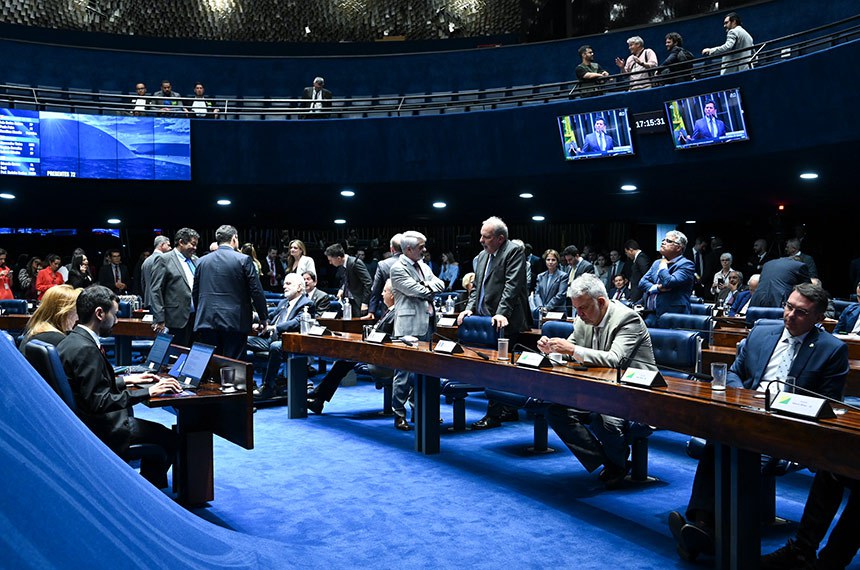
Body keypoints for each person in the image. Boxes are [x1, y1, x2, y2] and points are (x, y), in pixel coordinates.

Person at [669, 283, 848, 562]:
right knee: (720, 435)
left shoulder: (831, 349)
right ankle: (702, 524)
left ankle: (714, 536)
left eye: (801, 312)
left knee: (743, 453)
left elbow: (827, 402)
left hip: (788, 426)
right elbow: (734, 373)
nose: (789, 315)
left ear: (818, 319)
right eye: (788, 306)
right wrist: (747, 398)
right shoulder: (763, 332)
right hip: (745, 413)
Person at [538, 274, 656, 487]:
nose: (579, 314)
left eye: (583, 308)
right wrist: (552, 349)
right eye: (576, 309)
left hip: (634, 392)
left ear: (601, 302)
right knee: (555, 411)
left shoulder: (627, 319)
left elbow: (615, 359)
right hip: (599, 390)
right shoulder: (583, 320)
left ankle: (617, 463)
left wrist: (571, 349)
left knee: (603, 418)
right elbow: (570, 351)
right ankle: (608, 461)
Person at [57, 285, 181, 488]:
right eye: (114, 314)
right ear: (99, 313)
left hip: (85, 423)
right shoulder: (86, 349)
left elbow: (89, 385)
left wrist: (129, 380)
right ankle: (150, 493)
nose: (116, 320)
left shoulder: (71, 341)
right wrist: (149, 391)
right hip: (106, 427)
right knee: (171, 439)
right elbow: (99, 401)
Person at [457, 216, 532, 430]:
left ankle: (495, 414)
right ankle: (508, 409)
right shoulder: (482, 256)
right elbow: (476, 287)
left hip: (505, 320)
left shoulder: (514, 251)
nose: (481, 240)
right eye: (481, 235)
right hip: (483, 319)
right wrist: (469, 308)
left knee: (498, 368)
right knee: (491, 366)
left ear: (500, 238)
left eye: (486, 237)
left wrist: (501, 313)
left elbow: (512, 285)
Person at [306, 279, 397, 415]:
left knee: (344, 362)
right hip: (373, 352)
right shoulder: (388, 311)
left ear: (393, 296)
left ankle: (318, 396)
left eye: (384, 291)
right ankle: (318, 400)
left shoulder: (396, 314)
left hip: (383, 358)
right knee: (344, 360)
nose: (381, 294)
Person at [389, 231, 445, 430]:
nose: (425, 250)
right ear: (409, 249)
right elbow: (416, 291)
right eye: (421, 247)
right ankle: (399, 414)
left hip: (428, 323)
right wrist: (426, 286)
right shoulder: (397, 268)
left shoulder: (422, 265)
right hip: (408, 326)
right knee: (403, 373)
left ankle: (419, 410)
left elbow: (441, 283)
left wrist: (425, 285)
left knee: (425, 371)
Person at [193, 225, 268, 360]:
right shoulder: (243, 260)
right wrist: (263, 317)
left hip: (206, 319)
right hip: (234, 321)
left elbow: (195, 292)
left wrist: (201, 312)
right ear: (234, 238)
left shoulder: (201, 261)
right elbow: (256, 291)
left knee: (210, 363)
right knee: (234, 365)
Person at [248, 273, 315, 399]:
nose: (284, 286)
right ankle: (246, 382)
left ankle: (268, 387)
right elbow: (271, 317)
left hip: (291, 342)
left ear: (299, 287)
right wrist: (259, 322)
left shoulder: (307, 303)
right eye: (284, 283)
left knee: (275, 346)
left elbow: (297, 322)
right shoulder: (284, 302)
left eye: (288, 284)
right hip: (272, 339)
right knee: (242, 340)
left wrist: (274, 328)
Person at [149, 227, 199, 348]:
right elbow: (155, 290)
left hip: (196, 318)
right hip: (175, 319)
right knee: (175, 358)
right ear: (181, 242)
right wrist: (159, 319)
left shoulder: (195, 260)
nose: (195, 248)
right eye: (192, 244)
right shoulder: (164, 259)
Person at [639, 230, 695, 324]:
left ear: (678, 247)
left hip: (674, 316)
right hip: (651, 314)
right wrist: (657, 288)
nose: (663, 242)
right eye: (664, 240)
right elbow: (642, 283)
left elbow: (669, 282)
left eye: (668, 241)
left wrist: (663, 267)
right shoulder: (657, 263)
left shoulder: (686, 265)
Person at [19, 284, 80, 352]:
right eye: (75, 311)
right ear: (63, 313)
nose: (77, 317)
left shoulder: (35, 330)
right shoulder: (57, 339)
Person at [325, 243, 372, 318]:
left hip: (358, 301)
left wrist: (365, 302)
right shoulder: (342, 266)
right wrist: (342, 289)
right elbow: (345, 280)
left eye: (331, 260)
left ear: (339, 258)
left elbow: (368, 282)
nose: (330, 263)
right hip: (349, 301)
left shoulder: (355, 263)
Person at [369, 234, 403, 318]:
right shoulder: (415, 263)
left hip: (388, 308)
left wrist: (371, 310)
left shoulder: (383, 264)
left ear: (392, 249)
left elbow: (376, 289)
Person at [532, 249, 568, 319]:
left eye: (553, 260)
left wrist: (547, 308)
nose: (550, 262)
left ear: (557, 262)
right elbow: (537, 293)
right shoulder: (540, 276)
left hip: (557, 313)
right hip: (542, 313)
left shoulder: (563, 276)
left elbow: (561, 295)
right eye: (548, 260)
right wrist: (541, 307)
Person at [140, 236, 170, 307]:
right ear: (162, 245)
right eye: (168, 245)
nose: (170, 248)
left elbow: (143, 283)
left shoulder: (146, 261)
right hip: (160, 302)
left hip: (148, 300)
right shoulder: (164, 259)